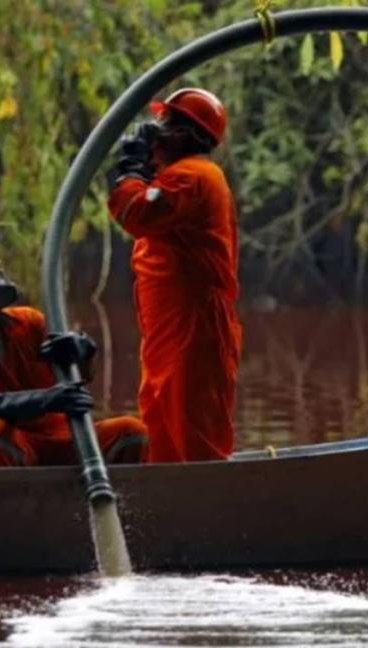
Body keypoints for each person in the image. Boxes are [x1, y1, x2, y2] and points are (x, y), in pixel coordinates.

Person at [0, 236, 147, 467]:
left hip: (67, 438)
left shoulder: (28, 322)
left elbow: (80, 374)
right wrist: (48, 399)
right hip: (18, 448)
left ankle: (127, 502)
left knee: (131, 432)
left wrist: (83, 349)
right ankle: (5, 502)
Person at [107, 87, 242, 463]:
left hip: (195, 326)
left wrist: (130, 170)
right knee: (162, 423)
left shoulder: (192, 176)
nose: (156, 130)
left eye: (166, 122)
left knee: (193, 427)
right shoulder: (176, 178)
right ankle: (168, 503)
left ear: (188, 133)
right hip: (171, 329)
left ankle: (208, 505)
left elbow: (136, 213)